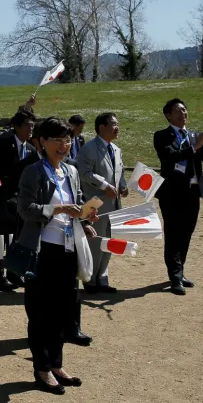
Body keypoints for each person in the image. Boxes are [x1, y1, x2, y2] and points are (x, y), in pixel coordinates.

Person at [17, 117, 98, 395]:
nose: (64, 145)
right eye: (58, 140)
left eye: (68, 139)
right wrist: (58, 210)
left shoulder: (71, 171)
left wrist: (86, 220)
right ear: (42, 142)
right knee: (40, 312)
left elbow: (77, 203)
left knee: (63, 310)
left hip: (67, 249)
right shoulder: (33, 172)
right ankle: (41, 369)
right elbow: (25, 209)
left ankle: (56, 364)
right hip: (41, 251)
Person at [153, 98, 203, 295]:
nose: (183, 113)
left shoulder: (193, 135)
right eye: (178, 111)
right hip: (172, 194)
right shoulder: (162, 136)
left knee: (186, 234)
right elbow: (171, 157)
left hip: (193, 192)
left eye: (185, 110)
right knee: (173, 234)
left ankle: (180, 272)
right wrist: (196, 145)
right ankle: (175, 278)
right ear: (168, 115)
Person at [77, 112, 128, 293]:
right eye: (114, 124)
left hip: (114, 205)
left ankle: (102, 278)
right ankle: (90, 280)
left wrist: (122, 186)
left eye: (117, 124)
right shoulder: (89, 148)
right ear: (101, 128)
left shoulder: (116, 149)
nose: (117, 128)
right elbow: (84, 173)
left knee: (109, 242)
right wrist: (105, 185)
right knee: (94, 242)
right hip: (95, 205)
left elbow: (119, 171)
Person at [0, 109, 36, 287]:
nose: (30, 129)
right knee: (1, 238)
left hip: (24, 200)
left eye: (32, 125)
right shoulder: (4, 143)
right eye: (27, 125)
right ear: (16, 126)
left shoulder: (32, 149)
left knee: (19, 238)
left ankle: (15, 272)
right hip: (5, 198)